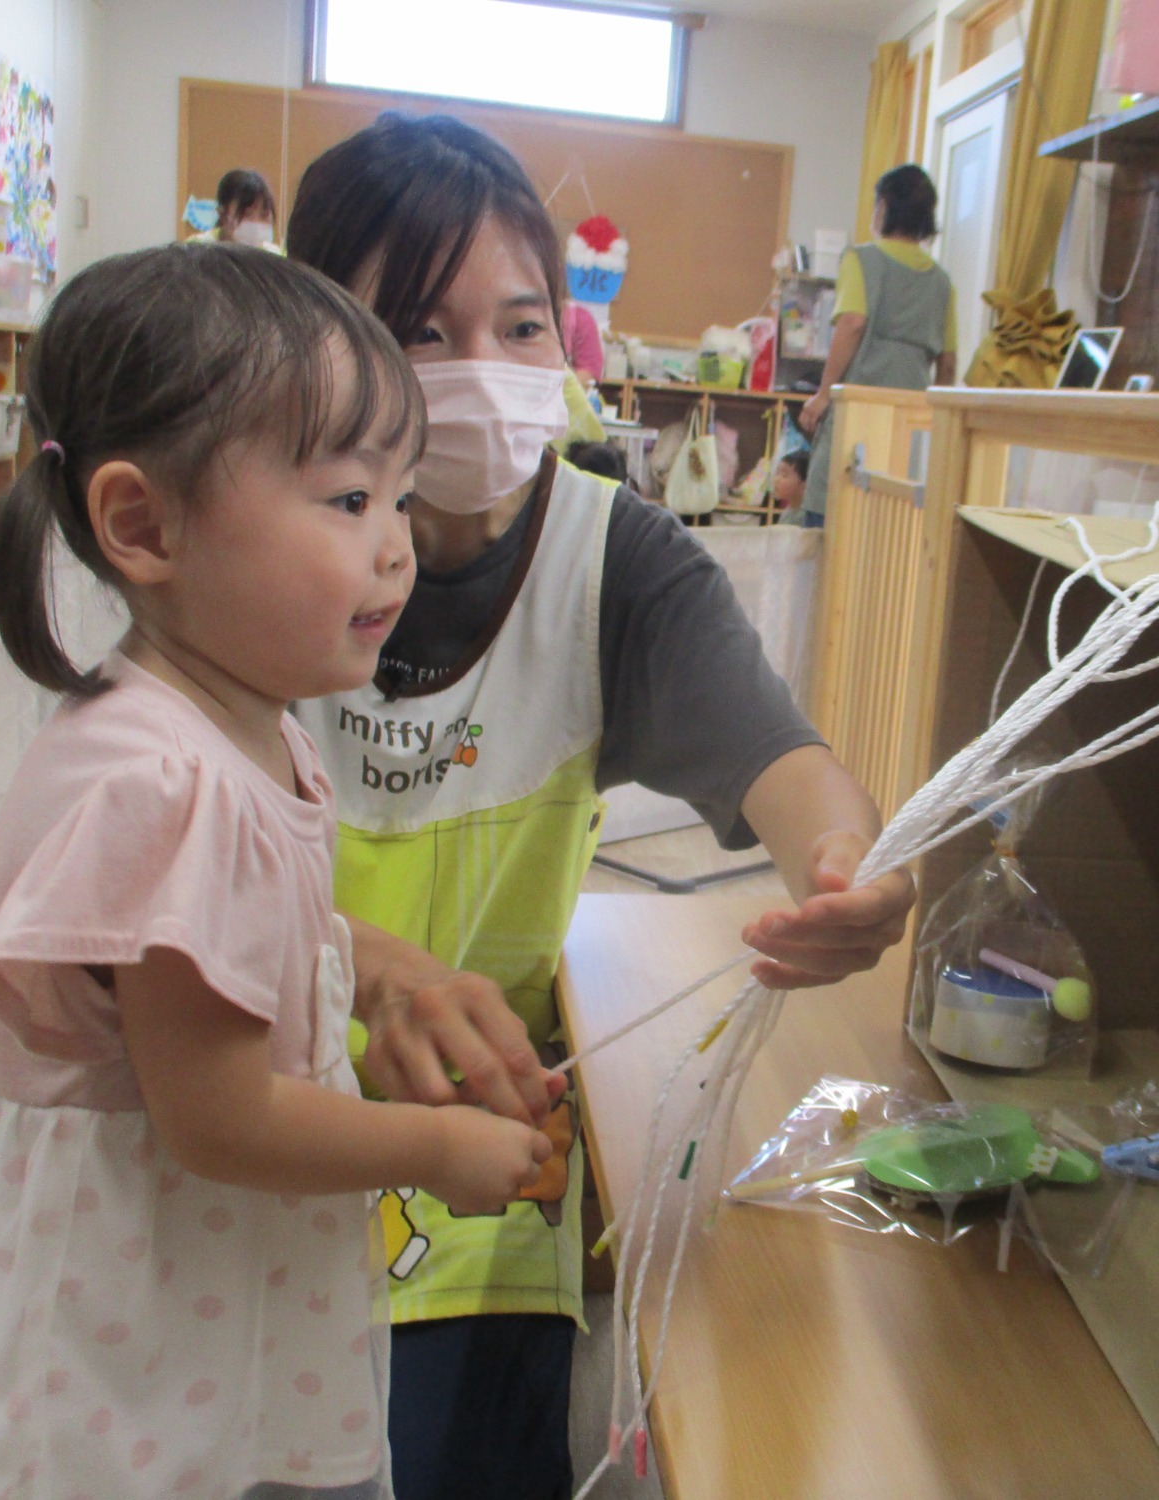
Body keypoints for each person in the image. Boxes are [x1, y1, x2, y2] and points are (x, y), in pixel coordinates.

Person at [0, 244, 560, 1496]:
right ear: (143, 526)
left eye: (399, 495)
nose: (396, 547)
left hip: (151, 1224)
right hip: (117, 1265)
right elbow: (217, 1119)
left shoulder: (215, 709)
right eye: (345, 501)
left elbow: (239, 934)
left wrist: (369, 970)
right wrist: (425, 1146)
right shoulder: (174, 785)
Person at [285, 112, 917, 1500]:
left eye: (522, 328)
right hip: (253, 1142)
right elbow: (150, 870)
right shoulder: (259, 544)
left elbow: (787, 763)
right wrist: (365, 969)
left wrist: (850, 859)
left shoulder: (611, 560)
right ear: (317, 346)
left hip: (482, 1169)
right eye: (422, 332)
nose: (487, 376)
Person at [796, 165, 957, 527]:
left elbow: (852, 323)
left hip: (859, 416)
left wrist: (823, 394)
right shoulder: (942, 283)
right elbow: (947, 363)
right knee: (890, 528)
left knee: (832, 518)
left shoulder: (862, 259)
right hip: (910, 426)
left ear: (883, 206)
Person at [194, 166, 285, 253]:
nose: (256, 222)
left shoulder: (275, 256)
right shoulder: (197, 249)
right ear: (223, 215)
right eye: (247, 214)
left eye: (264, 216)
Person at [770, 446, 809, 517]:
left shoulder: (807, 515)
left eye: (784, 475)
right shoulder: (787, 512)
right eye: (777, 473)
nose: (776, 480)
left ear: (804, 483)